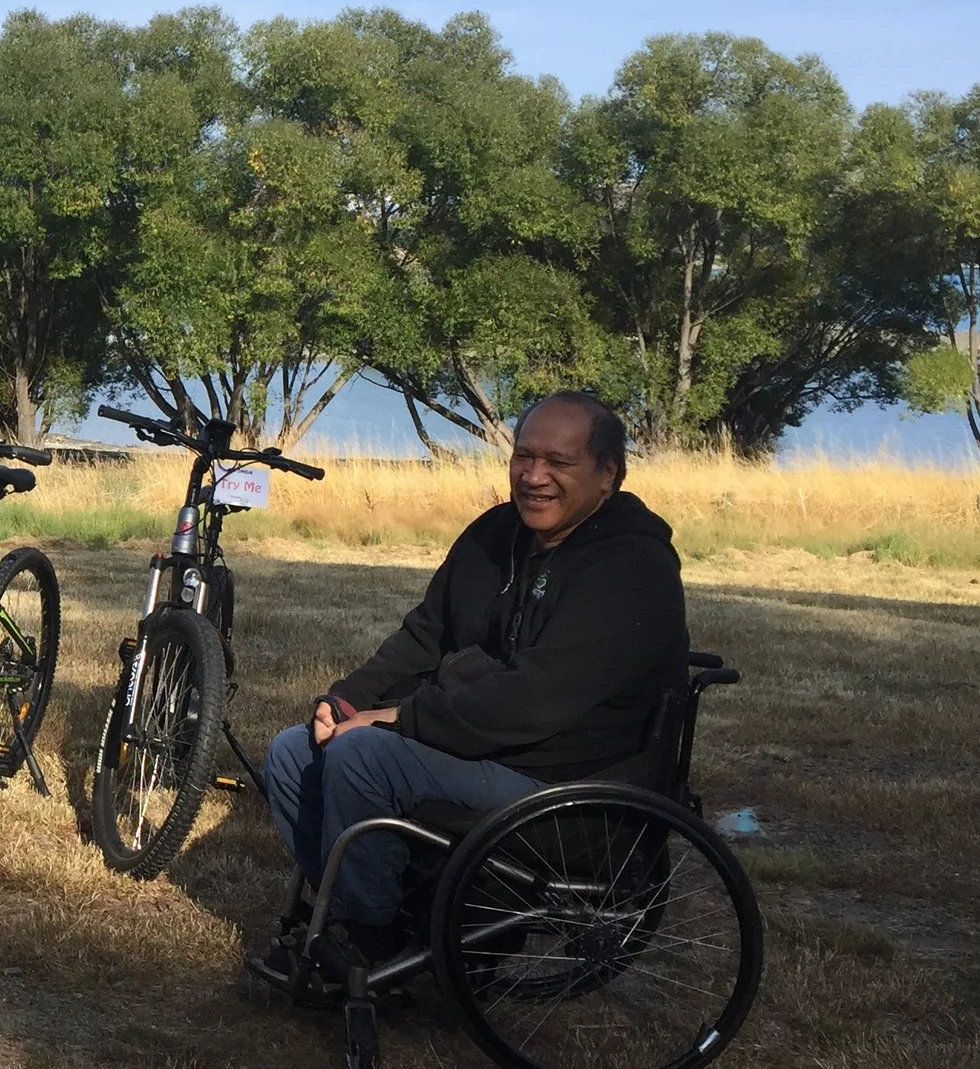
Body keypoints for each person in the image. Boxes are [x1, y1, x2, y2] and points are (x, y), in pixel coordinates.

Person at [256, 392, 689, 979]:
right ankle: (393, 923)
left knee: (362, 755)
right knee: (292, 752)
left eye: (558, 462)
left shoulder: (632, 570)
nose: (535, 477)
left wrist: (397, 720)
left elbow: (532, 701)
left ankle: (373, 945)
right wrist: (348, 697)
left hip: (568, 788)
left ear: (607, 473)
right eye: (524, 456)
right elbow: (425, 634)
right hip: (487, 752)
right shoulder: (497, 534)